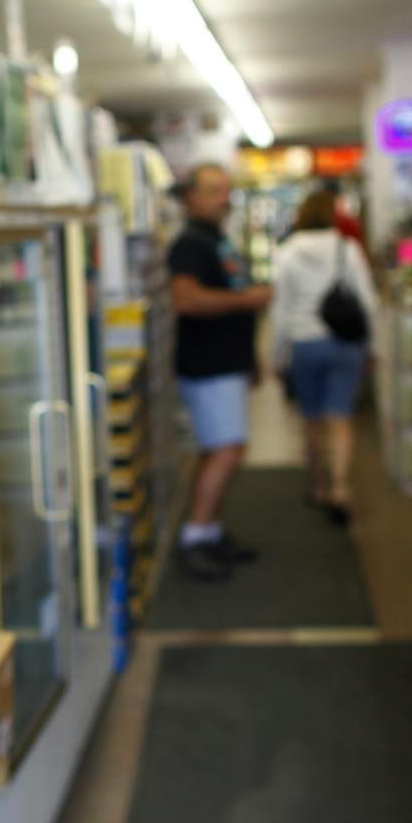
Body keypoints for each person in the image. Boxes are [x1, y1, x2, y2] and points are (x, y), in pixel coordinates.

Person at [168, 163, 272, 580]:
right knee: (228, 450)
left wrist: (251, 359)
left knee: (220, 449)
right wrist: (247, 301)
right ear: (191, 196)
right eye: (212, 191)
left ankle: (209, 530)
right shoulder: (190, 244)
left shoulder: (216, 240)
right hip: (208, 364)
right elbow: (186, 300)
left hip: (226, 362)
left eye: (226, 190)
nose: (222, 199)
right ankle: (195, 537)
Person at [269, 187, 378, 526]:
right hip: (346, 343)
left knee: (311, 418)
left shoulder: (287, 253)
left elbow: (280, 310)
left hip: (305, 343)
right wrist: (372, 346)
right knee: (341, 418)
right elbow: (368, 302)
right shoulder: (348, 249)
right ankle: (341, 488)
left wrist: (277, 354)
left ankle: (318, 485)